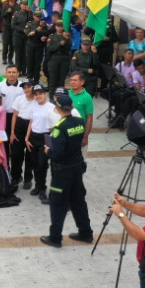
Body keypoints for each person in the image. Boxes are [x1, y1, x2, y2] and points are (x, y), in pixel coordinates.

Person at [40, 94, 94, 247]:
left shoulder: (59, 127)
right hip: (76, 168)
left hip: (62, 172)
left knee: (57, 203)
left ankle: (55, 237)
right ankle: (86, 232)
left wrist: (47, 150)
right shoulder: (79, 121)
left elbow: (57, 153)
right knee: (78, 201)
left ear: (57, 109)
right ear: (72, 107)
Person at [9, 80, 35, 188]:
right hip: (20, 125)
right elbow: (14, 116)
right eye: (24, 87)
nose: (27, 89)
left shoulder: (37, 100)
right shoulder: (19, 99)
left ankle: (28, 178)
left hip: (32, 126)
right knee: (16, 153)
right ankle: (16, 176)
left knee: (30, 153)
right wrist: (12, 132)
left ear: (33, 87)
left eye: (29, 87)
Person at [67, 72, 94, 150]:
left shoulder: (87, 97)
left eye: (75, 80)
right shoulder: (67, 94)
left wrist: (85, 137)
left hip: (80, 133)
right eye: (71, 80)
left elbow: (89, 117)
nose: (72, 82)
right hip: (67, 132)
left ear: (82, 82)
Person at [1, 0, 18, 64]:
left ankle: (10, 58)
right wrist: (7, 11)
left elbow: (18, 15)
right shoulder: (6, 5)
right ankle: (4, 58)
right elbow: (2, 15)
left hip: (14, 27)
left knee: (12, 44)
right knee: (5, 43)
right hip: (6, 26)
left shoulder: (18, 6)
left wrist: (12, 9)